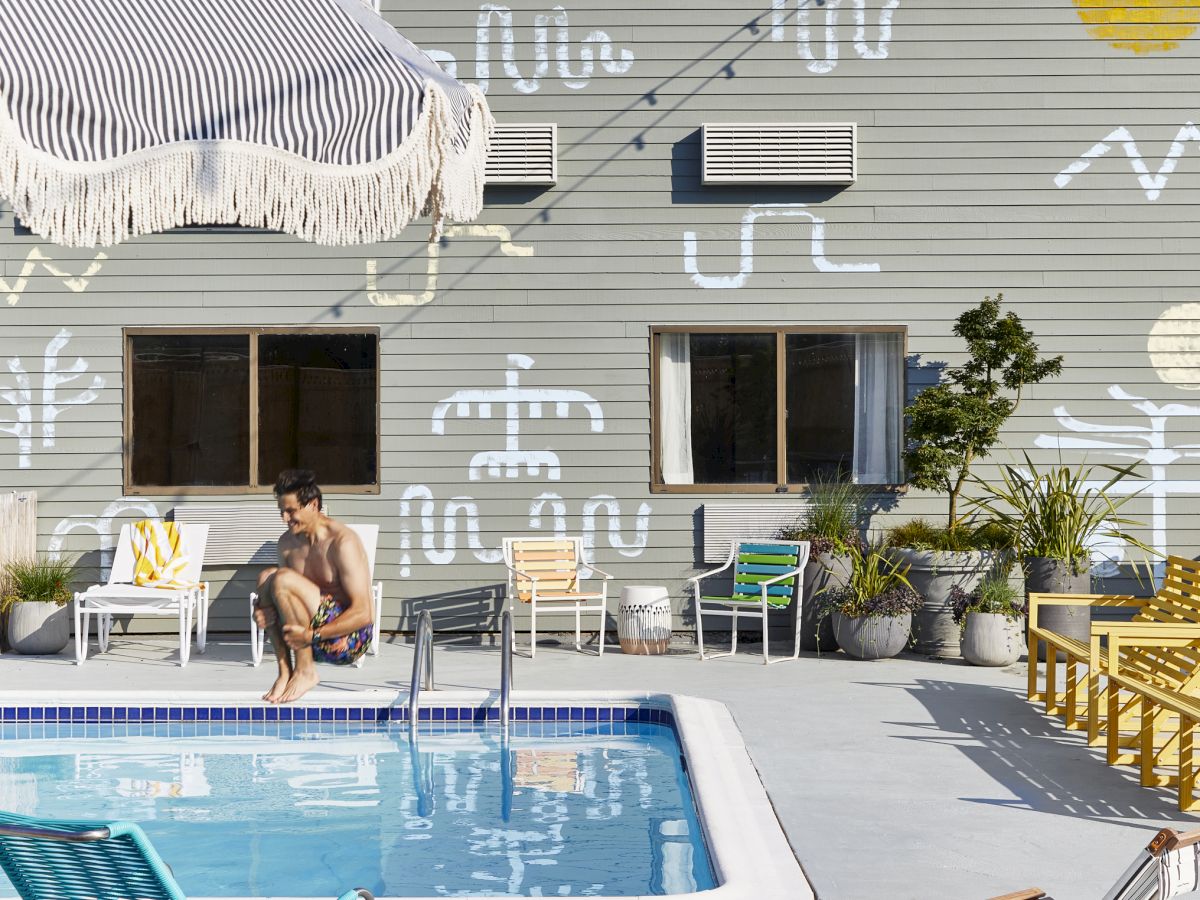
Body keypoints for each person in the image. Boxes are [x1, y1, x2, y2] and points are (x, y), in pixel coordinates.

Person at [253, 469, 374, 703]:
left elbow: (365, 613)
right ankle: (285, 671)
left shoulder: (342, 541)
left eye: (291, 511)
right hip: (306, 637)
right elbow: (281, 597)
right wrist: (261, 612)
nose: (284, 519)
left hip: (347, 640)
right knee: (266, 577)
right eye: (282, 512)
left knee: (280, 578)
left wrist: (312, 634)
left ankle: (306, 670)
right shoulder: (286, 544)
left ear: (313, 504)